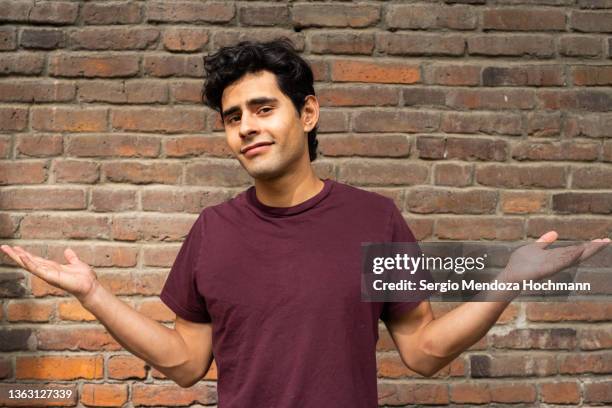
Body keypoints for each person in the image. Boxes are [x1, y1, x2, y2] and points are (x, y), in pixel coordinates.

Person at [2, 38, 609, 408]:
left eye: (263, 108)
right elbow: (186, 364)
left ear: (308, 113)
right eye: (232, 116)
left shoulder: (376, 217)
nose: (245, 126)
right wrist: (92, 294)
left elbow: (423, 351)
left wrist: (509, 282)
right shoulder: (212, 230)